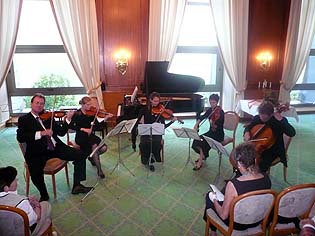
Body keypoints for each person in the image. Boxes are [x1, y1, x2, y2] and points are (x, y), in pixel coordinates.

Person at [16, 93, 93, 201]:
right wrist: (41, 133)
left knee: (80, 155)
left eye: (42, 104)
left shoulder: (48, 118)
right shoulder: (24, 119)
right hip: (37, 151)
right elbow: (20, 137)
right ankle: (44, 194)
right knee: (35, 171)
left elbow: (61, 132)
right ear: (31, 103)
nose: (39, 105)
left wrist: (67, 119)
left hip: (56, 147)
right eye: (37, 103)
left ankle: (77, 185)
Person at [203, 143, 272, 236]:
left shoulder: (233, 184)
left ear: (239, 163)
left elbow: (224, 215)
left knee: (209, 196)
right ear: (255, 160)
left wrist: (215, 200)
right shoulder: (266, 178)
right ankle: (213, 230)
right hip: (258, 220)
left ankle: (213, 231)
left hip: (237, 224)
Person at [243, 100, 296, 172]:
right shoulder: (257, 118)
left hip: (273, 149)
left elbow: (292, 133)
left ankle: (259, 179)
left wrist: (282, 120)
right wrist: (247, 132)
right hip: (257, 146)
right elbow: (248, 127)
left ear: (271, 115)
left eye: (265, 118)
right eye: (261, 116)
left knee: (260, 164)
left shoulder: (278, 121)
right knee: (242, 156)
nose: (262, 119)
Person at [69, 96, 113, 179]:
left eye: (90, 104)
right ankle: (99, 170)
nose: (90, 107)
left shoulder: (90, 114)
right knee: (95, 147)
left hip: (90, 136)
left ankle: (92, 156)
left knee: (104, 148)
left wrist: (105, 118)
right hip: (81, 137)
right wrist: (83, 129)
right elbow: (71, 126)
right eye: (88, 105)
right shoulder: (77, 114)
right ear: (83, 105)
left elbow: (98, 126)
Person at [0, 166, 51, 235]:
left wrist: (27, 201)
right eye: (14, 179)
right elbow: (36, 218)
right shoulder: (21, 202)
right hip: (22, 233)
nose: (17, 179)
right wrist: (36, 205)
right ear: (6, 188)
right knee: (45, 205)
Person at [137, 92, 177, 172]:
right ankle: (146, 159)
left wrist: (171, 122)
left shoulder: (160, 111)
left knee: (157, 142)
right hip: (146, 132)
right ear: (150, 100)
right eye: (155, 101)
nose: (157, 103)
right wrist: (140, 122)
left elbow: (163, 126)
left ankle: (153, 156)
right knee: (144, 143)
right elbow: (138, 121)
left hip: (156, 133)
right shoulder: (144, 110)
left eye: (158, 101)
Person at [192, 94, 224, 171]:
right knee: (197, 139)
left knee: (203, 142)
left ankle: (200, 161)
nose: (212, 104)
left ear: (217, 102)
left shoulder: (221, 112)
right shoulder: (210, 110)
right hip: (211, 132)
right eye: (211, 102)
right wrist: (197, 124)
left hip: (218, 134)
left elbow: (220, 125)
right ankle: (203, 156)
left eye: (213, 102)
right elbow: (202, 117)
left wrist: (213, 123)